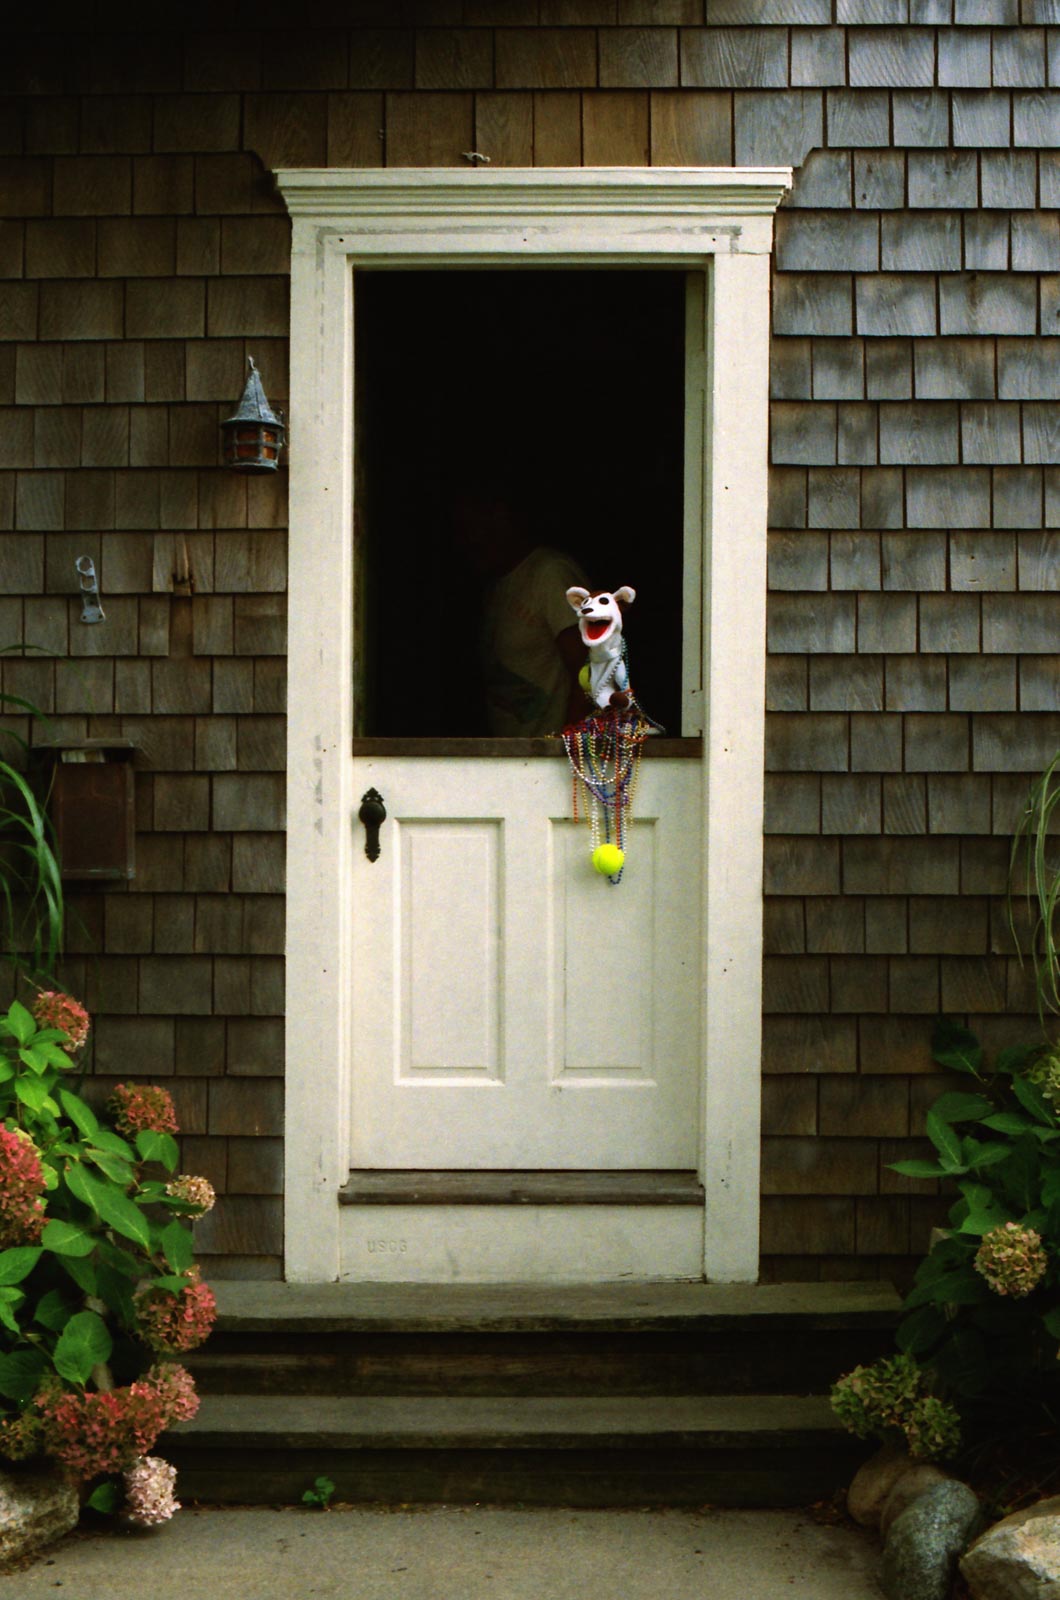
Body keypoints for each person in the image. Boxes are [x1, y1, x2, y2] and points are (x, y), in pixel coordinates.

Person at [451, 486, 590, 737]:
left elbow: (592, 672)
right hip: (511, 760)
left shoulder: (550, 574)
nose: (464, 539)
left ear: (500, 516)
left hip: (545, 764)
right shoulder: (496, 586)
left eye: (470, 525)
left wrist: (562, 752)